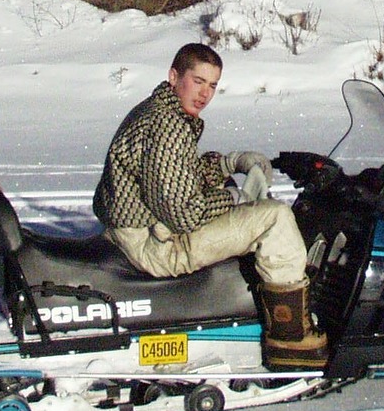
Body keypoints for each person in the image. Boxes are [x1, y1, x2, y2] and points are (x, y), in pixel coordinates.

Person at [94, 42, 327, 370]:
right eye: (198, 81)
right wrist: (236, 200)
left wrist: (231, 164)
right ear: (174, 76)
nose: (205, 93)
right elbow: (185, 213)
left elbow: (178, 175)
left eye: (213, 85)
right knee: (274, 217)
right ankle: (290, 337)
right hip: (155, 247)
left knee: (240, 202)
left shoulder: (158, 111)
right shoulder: (167, 126)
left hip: (136, 232)